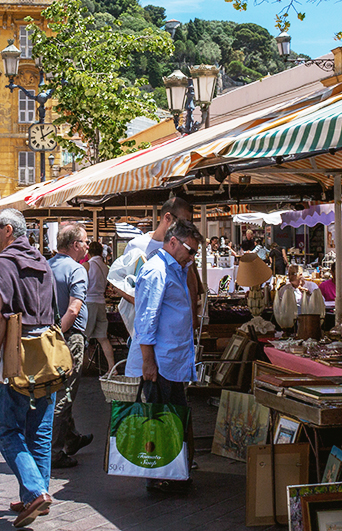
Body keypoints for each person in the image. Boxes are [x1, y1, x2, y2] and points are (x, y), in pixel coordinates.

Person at [0, 208, 56, 526]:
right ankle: (38, 493)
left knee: (7, 430)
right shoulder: (42, 260)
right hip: (46, 350)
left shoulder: (4, 262)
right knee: (39, 430)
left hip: (19, 352)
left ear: (8, 231)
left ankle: (34, 493)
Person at [126, 218, 203, 494]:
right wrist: (148, 362)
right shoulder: (156, 270)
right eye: (190, 250)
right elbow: (146, 320)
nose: (192, 257)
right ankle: (158, 477)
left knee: (171, 418)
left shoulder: (177, 268)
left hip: (173, 361)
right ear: (173, 242)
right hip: (161, 362)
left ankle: (170, 471)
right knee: (159, 418)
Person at [107, 196, 193, 337]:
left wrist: (192, 317)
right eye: (183, 222)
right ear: (168, 217)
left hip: (172, 327)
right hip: (142, 327)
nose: (186, 228)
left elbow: (190, 280)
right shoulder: (136, 245)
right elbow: (118, 281)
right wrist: (139, 301)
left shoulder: (182, 246)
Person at [49, 224, 91, 468]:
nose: (87, 246)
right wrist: (59, 332)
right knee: (65, 393)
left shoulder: (47, 265)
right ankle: (55, 452)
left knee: (57, 388)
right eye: (85, 241)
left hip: (48, 334)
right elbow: (74, 308)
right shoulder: (77, 270)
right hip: (68, 334)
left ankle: (72, 437)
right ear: (75, 244)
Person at [84, 240, 114, 371]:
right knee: (103, 338)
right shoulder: (105, 267)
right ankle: (112, 367)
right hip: (101, 303)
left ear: (89, 252)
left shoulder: (87, 265)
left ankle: (78, 367)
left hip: (89, 302)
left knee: (83, 337)